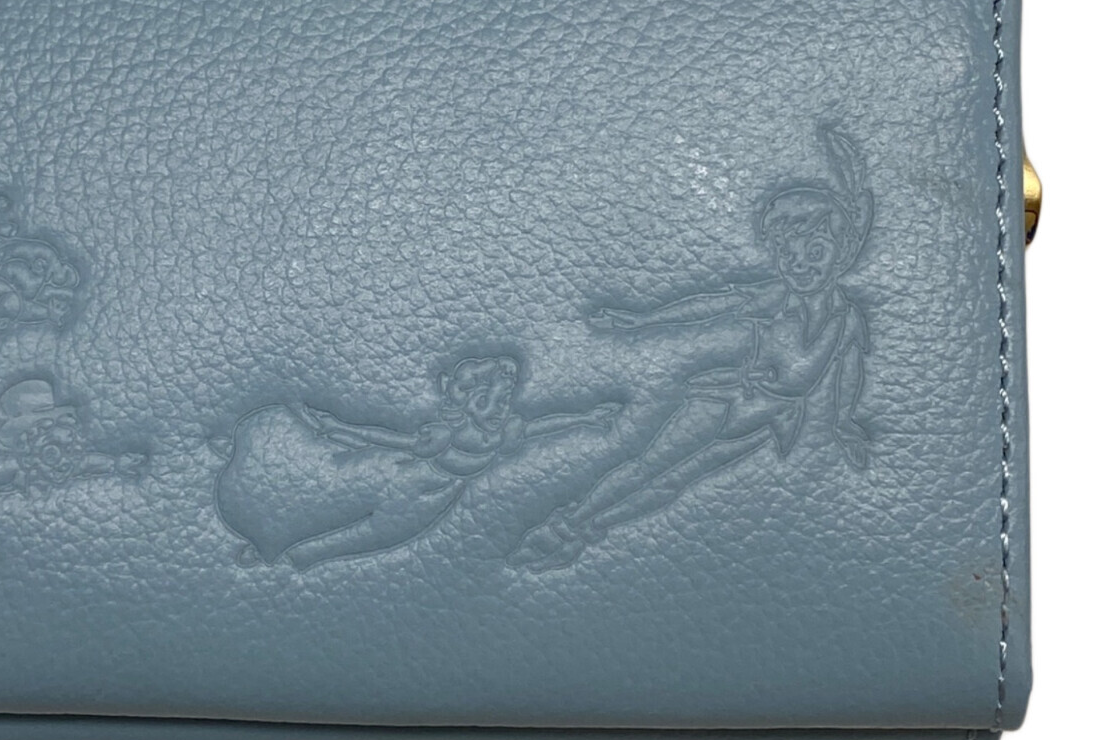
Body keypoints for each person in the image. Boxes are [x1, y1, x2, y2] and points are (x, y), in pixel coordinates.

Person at [510, 125, 873, 572]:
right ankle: (566, 523)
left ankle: (587, 533)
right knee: (649, 466)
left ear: (842, 251)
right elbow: (711, 306)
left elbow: (848, 370)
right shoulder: (775, 300)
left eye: (814, 252)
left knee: (675, 483)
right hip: (729, 400)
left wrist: (844, 422)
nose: (800, 267)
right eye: (788, 256)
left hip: (770, 419)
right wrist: (642, 320)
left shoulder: (847, 317)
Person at [215, 354, 620, 569]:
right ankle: (262, 504)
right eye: (486, 400)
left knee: (371, 538)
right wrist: (339, 428)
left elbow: (542, 426)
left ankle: (293, 558)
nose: (497, 409)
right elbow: (391, 440)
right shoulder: (445, 435)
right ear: (465, 402)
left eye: (502, 401)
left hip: (433, 498)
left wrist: (586, 417)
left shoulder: (502, 432)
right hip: (403, 480)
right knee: (326, 495)